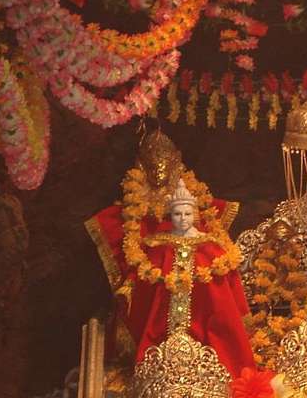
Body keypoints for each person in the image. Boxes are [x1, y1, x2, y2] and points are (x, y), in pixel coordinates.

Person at [86, 131, 254, 377]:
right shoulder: (154, 247)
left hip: (208, 346)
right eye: (177, 214)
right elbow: (139, 283)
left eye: (187, 214)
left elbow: (227, 296)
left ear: (196, 213)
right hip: (159, 343)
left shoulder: (210, 247)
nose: (183, 219)